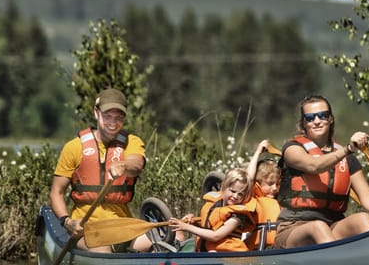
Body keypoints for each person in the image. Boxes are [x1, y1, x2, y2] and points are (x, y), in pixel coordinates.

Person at [274, 94, 369, 249]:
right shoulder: (292, 149)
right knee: (318, 227)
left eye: (323, 115)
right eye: (310, 118)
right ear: (303, 123)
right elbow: (314, 166)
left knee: (363, 219)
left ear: (331, 119)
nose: (317, 121)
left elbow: (368, 198)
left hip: (333, 226)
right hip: (293, 228)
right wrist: (348, 149)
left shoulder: (347, 159)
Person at [48, 88, 152, 253]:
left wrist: (123, 165)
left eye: (119, 117)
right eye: (107, 116)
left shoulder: (131, 142)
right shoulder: (74, 147)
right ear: (96, 113)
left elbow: (137, 164)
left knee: (166, 238)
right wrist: (67, 222)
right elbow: (56, 192)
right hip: (87, 229)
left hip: (124, 228)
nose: (113, 122)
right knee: (102, 250)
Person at [169, 168, 257, 252]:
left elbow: (216, 236)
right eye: (233, 191)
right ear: (223, 187)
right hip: (209, 249)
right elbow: (210, 227)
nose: (235, 196)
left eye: (240, 194)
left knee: (212, 252)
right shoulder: (217, 204)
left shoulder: (237, 217)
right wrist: (195, 223)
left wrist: (187, 227)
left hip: (228, 253)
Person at [245, 140, 281, 250]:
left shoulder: (282, 198)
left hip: (280, 248)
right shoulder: (252, 197)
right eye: (270, 184)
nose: (274, 188)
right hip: (258, 251)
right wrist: (258, 152)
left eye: (277, 184)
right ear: (258, 183)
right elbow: (248, 178)